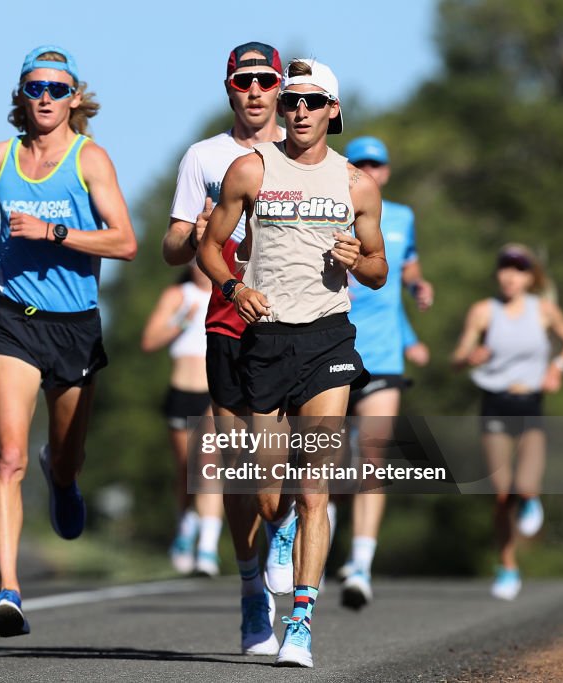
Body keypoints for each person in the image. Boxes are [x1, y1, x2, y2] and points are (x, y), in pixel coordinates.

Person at [0, 45, 136, 638]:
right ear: (22, 96)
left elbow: (124, 242)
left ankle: (63, 476)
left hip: (75, 325)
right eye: (35, 88)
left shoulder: (90, 160)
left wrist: (55, 232)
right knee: (8, 457)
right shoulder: (2, 155)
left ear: (74, 98)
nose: (45, 98)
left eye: (56, 89)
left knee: (64, 457)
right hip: (15, 320)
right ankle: (8, 590)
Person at [198, 58, 387, 668]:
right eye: (293, 102)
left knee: (316, 485)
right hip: (266, 338)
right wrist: (233, 290)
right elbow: (208, 247)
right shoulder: (250, 168)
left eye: (313, 102)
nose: (300, 111)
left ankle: (301, 621)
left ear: (333, 111)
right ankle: (276, 527)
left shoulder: (357, 184)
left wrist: (358, 261)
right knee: (267, 486)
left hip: (329, 339)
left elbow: (379, 270)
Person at [163, 41, 291, 656]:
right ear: (230, 89)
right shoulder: (204, 157)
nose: (256, 91)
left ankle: (287, 531)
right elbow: (171, 247)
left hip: (296, 324)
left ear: (281, 88)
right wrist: (195, 229)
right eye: (245, 81)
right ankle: (250, 592)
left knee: (283, 471)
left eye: (266, 80)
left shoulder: (305, 154)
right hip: (227, 320)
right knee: (242, 469)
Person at [333, 136, 434, 610]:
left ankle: (361, 565)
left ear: (388, 170)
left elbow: (408, 266)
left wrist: (417, 288)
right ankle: (311, 557)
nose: (370, 169)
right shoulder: (325, 207)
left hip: (383, 356)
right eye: (361, 162)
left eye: (377, 163)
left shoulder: (403, 216)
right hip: (330, 350)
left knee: (371, 457)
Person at [452, 244, 563, 600]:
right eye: (505, 267)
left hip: (531, 404)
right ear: (498, 273)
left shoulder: (544, 310)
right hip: (495, 403)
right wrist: (469, 357)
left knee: (525, 485)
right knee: (502, 492)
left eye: (519, 268)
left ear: (530, 276)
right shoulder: (484, 311)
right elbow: (458, 356)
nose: (510, 275)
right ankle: (507, 565)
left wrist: (557, 367)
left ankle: (530, 499)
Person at [140, 262, 221, 577]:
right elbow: (148, 341)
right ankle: (186, 526)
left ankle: (208, 549)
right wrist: (180, 322)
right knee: (187, 469)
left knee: (209, 464)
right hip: (181, 391)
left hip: (213, 394)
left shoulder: (228, 291)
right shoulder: (178, 294)